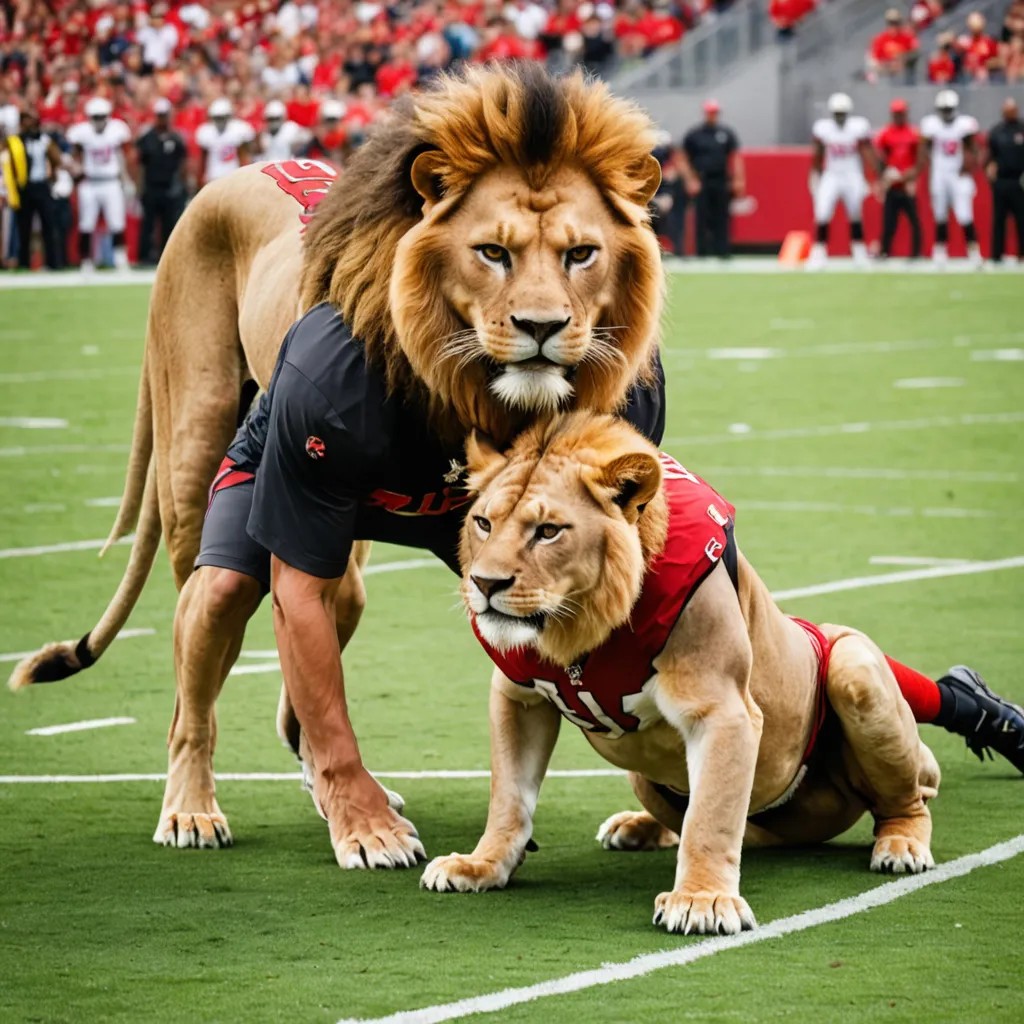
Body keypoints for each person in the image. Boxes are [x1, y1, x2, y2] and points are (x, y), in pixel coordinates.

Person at [808, 92, 875, 269]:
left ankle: (859, 253)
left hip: (852, 174)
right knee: (822, 214)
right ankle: (819, 254)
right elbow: (818, 153)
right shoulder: (824, 128)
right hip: (831, 174)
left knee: (855, 214)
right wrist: (815, 174)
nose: (840, 117)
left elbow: (867, 152)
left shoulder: (857, 127)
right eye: (837, 113)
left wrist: (874, 174)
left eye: (842, 113)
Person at [67, 97, 133, 271]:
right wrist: (72, 173)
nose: (99, 121)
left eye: (102, 116)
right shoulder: (82, 133)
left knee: (116, 222)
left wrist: (126, 179)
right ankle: (86, 261)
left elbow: (121, 157)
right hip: (90, 182)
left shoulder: (116, 130)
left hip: (111, 181)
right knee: (86, 223)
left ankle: (120, 259)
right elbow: (76, 156)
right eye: (95, 117)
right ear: (89, 117)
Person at [918, 89, 982, 267]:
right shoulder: (931, 125)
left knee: (965, 215)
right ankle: (940, 253)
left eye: (948, 109)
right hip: (940, 174)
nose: (946, 113)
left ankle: (974, 253)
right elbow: (924, 148)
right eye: (943, 109)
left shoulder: (964, 124)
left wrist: (969, 165)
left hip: (958, 174)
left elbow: (974, 149)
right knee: (940, 215)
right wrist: (930, 163)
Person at [682, 99, 744, 259]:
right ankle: (702, 252)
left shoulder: (726, 133)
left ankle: (722, 251)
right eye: (710, 112)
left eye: (715, 112)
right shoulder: (695, 134)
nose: (712, 116)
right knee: (702, 216)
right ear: (705, 113)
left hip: (721, 179)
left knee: (722, 215)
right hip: (702, 180)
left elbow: (736, 157)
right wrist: (690, 179)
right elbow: (683, 157)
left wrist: (738, 179)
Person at [5, 110, 63, 270]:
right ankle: (24, 261)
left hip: (42, 185)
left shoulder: (45, 140)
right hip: (24, 187)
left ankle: (53, 262)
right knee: (24, 227)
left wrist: (53, 175)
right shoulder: (15, 142)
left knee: (49, 225)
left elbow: (57, 159)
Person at [135, 98, 187, 266]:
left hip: (170, 187)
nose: (162, 119)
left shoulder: (176, 138)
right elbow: (140, 164)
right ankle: (145, 257)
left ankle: (167, 258)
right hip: (151, 186)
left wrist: (183, 184)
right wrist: (138, 187)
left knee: (169, 224)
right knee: (148, 224)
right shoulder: (147, 138)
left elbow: (183, 163)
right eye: (160, 115)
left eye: (165, 115)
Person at [874, 98, 923, 259]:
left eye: (901, 114)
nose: (898, 117)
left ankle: (916, 253)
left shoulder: (914, 133)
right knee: (889, 222)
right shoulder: (886, 133)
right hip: (892, 184)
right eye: (896, 114)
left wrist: (913, 176)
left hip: (907, 184)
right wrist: (884, 175)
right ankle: (884, 252)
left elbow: (920, 159)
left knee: (915, 221)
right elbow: (879, 157)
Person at [985, 97, 1024, 264]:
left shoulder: (1022, 129)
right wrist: (989, 167)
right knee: (998, 219)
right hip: (1001, 181)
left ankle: (1022, 254)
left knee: (1021, 219)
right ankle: (996, 254)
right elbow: (990, 155)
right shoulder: (997, 131)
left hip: (1019, 181)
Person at [196, 98, 254, 186]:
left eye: (222, 118)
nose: (219, 121)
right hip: (213, 177)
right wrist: (200, 178)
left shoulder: (238, 130)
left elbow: (244, 155)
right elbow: (203, 159)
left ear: (228, 116)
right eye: (217, 118)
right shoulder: (206, 132)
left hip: (233, 177)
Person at [866, 8, 919, 83]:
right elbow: (875, 59)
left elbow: (915, 54)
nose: (893, 26)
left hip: (904, 72)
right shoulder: (880, 38)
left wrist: (903, 58)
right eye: (891, 23)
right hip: (885, 72)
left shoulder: (908, 37)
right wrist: (888, 65)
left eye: (895, 23)